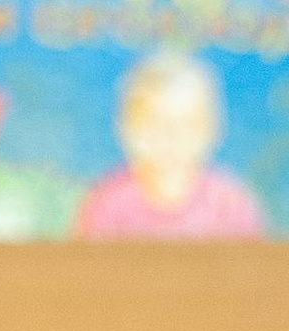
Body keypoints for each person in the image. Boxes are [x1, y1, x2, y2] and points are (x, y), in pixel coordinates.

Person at [74, 48, 267, 239]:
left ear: (212, 129)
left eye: (185, 124)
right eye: (154, 122)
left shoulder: (229, 204)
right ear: (127, 127)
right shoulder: (108, 202)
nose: (170, 136)